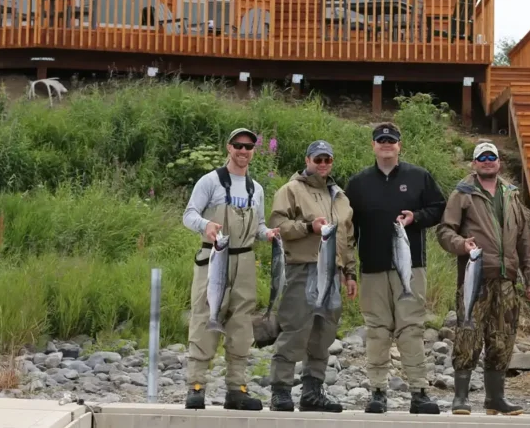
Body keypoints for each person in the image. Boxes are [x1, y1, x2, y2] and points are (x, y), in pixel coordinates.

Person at [345, 122, 446, 415]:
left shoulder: (419, 177)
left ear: (400, 144)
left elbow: (439, 208)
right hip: (373, 268)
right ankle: (377, 391)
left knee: (411, 328)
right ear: (373, 145)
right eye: (381, 140)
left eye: (391, 140)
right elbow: (348, 229)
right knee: (376, 330)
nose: (386, 144)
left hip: (411, 267)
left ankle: (419, 392)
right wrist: (348, 269)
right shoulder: (359, 182)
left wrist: (416, 216)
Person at [437, 141, 530, 416]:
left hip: (507, 280)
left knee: (503, 339)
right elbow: (445, 231)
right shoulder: (463, 192)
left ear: (498, 162)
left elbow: (524, 240)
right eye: (481, 157)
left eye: (491, 157)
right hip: (476, 277)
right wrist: (461, 245)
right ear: (474, 163)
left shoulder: (511, 194)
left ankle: (495, 398)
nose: (487, 161)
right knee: (468, 335)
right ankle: (460, 397)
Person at [182, 127, 279, 411]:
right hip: (214, 255)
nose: (243, 151)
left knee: (241, 325)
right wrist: (206, 226)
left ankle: (236, 389)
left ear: (253, 151)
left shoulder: (256, 188)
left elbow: (258, 226)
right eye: (238, 145)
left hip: (245, 261)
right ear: (229, 147)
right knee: (204, 316)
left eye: (249, 147)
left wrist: (269, 234)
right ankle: (196, 386)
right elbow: (189, 214)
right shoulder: (210, 182)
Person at [267, 140, 357, 413]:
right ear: (307, 161)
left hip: (333, 273)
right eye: (317, 159)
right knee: (295, 329)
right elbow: (277, 227)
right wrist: (309, 227)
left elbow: (348, 238)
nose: (322, 164)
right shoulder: (291, 190)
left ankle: (312, 392)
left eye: (327, 159)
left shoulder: (340, 197)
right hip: (302, 268)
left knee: (323, 334)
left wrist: (350, 272)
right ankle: (280, 391)